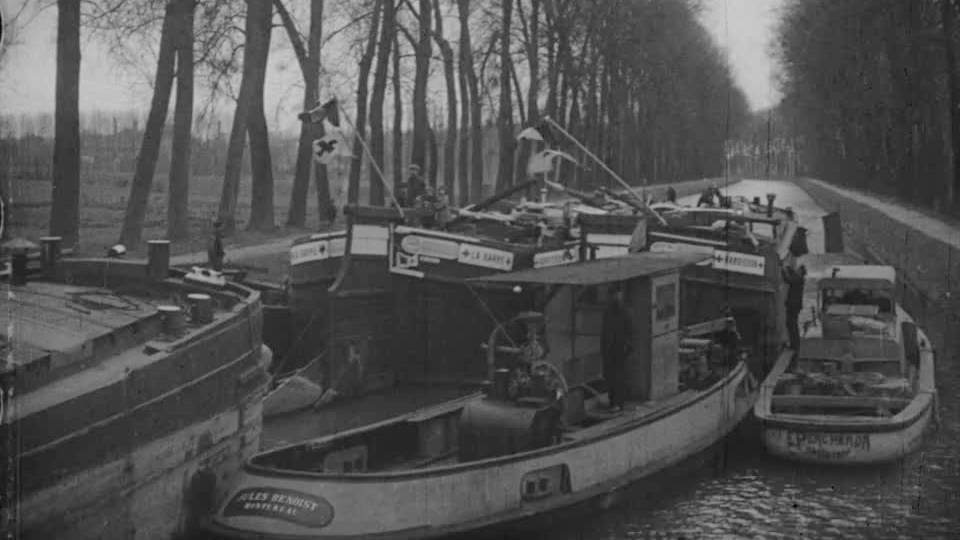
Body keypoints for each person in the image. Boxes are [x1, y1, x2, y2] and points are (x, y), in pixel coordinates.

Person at [601, 282, 632, 412]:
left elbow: (631, 331)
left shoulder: (624, 312)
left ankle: (618, 403)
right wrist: (604, 349)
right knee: (610, 376)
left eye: (616, 294)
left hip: (619, 349)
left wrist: (627, 347)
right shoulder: (608, 312)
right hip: (609, 350)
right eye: (612, 295)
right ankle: (613, 401)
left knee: (619, 377)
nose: (614, 297)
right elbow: (604, 332)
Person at [783, 263, 807, 350]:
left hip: (793, 305)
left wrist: (783, 271)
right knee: (792, 324)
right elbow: (793, 274)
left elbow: (788, 280)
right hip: (795, 305)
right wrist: (789, 269)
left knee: (791, 324)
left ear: (800, 271)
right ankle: (795, 344)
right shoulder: (800, 278)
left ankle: (794, 345)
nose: (796, 270)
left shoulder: (798, 278)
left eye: (798, 269)